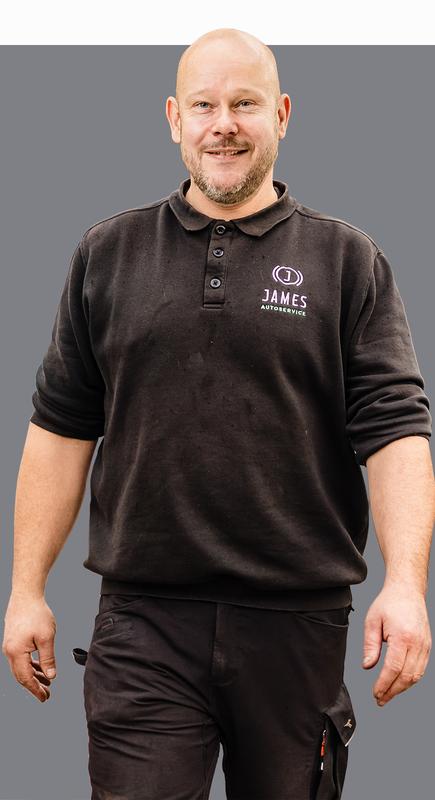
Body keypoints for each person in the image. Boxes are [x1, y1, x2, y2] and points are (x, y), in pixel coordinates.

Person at [3, 26, 435, 800]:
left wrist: (405, 586)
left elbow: (395, 432)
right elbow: (60, 429)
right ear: (174, 118)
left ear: (282, 114)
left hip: (297, 622)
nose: (223, 124)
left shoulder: (347, 261)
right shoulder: (107, 253)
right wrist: (26, 589)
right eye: (203, 105)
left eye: (245, 104)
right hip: (144, 620)